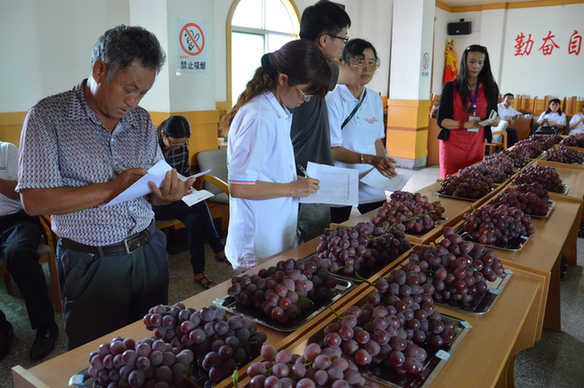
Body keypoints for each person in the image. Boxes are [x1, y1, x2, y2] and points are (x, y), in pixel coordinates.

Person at [17, 25, 195, 350]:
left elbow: (152, 181)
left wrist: (166, 191)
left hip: (148, 252)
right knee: (96, 359)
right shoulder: (48, 117)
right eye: (129, 89)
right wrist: (113, 188)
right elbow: (34, 200)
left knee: (153, 350)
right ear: (100, 70)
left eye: (143, 93)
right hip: (91, 263)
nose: (134, 101)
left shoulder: (140, 120)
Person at [219, 39, 330, 272]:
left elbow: (267, 170)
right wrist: (292, 189)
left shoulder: (276, 111)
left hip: (274, 235)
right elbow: (240, 187)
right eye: (304, 93)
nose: (304, 100)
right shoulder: (260, 117)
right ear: (283, 80)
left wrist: (294, 182)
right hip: (258, 244)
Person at [290, 0, 353, 243]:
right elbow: (349, 74)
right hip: (307, 173)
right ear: (324, 40)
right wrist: (335, 64)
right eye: (343, 39)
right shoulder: (314, 68)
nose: (343, 46)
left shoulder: (294, 61)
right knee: (310, 246)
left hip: (295, 169)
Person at [152, 115, 228, 289]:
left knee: (194, 220)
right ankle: (218, 249)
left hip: (179, 200)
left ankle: (199, 272)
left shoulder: (182, 148)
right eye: (174, 143)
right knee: (199, 206)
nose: (178, 147)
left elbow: (184, 174)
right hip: (156, 204)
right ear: (163, 134)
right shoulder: (151, 150)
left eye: (182, 143)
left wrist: (188, 187)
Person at [326, 39, 397, 224]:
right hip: (338, 180)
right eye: (359, 61)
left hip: (369, 180)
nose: (366, 68)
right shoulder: (333, 99)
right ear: (344, 63)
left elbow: (376, 140)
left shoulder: (373, 98)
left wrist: (383, 164)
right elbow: (332, 149)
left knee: (381, 228)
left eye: (371, 62)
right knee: (336, 234)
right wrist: (371, 159)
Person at [1, 141, 58, 360]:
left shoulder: (7, 150)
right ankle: (2, 328)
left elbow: (21, 193)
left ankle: (46, 326)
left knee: (18, 253)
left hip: (17, 219)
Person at [437, 44, 500, 178]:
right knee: (451, 181)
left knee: (472, 181)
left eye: (480, 62)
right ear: (464, 62)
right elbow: (442, 121)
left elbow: (494, 115)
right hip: (452, 144)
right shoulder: (451, 87)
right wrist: (465, 125)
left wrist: (495, 121)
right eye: (472, 61)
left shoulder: (490, 88)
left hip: (476, 143)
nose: (476, 66)